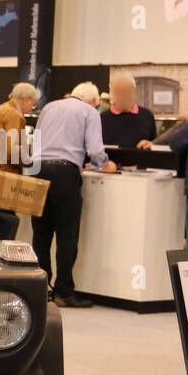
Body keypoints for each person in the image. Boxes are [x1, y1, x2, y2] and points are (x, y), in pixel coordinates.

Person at [30, 82, 117, 308]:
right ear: (92, 101)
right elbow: (96, 150)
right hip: (65, 173)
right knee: (67, 234)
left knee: (41, 233)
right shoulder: (89, 112)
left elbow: (35, 141)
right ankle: (64, 292)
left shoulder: (48, 107)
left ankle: (41, 289)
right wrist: (105, 164)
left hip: (37, 170)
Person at [0, 82, 39, 240]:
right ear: (25, 99)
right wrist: (29, 161)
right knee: (2, 239)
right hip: (2, 181)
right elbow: (12, 150)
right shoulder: (13, 115)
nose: (32, 108)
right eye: (33, 103)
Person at [100, 72, 157, 148]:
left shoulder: (147, 115)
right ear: (112, 92)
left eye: (127, 91)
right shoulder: (101, 119)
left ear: (134, 91)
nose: (123, 96)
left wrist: (151, 144)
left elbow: (154, 145)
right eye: (119, 92)